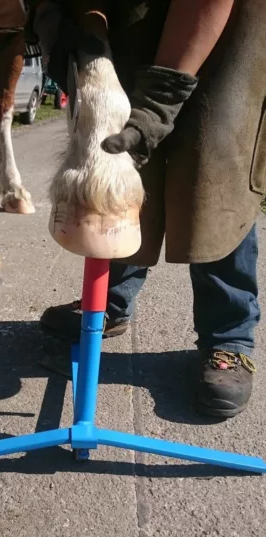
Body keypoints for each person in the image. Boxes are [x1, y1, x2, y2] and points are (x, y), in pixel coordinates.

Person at [32, 0, 265, 418]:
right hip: (132, 15)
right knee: (118, 154)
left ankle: (228, 335)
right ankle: (108, 304)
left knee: (215, 160)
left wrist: (158, 103)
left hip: (223, 18)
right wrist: (85, 41)